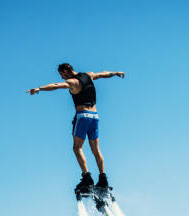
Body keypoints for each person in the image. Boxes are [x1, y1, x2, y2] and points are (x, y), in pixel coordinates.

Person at [26, 63, 125, 193]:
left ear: (66, 71)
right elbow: (103, 73)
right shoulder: (88, 75)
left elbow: (56, 86)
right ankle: (103, 179)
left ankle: (87, 177)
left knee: (77, 148)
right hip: (95, 116)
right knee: (96, 149)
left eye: (62, 74)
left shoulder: (72, 81)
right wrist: (116, 72)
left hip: (83, 117)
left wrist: (39, 88)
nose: (62, 78)